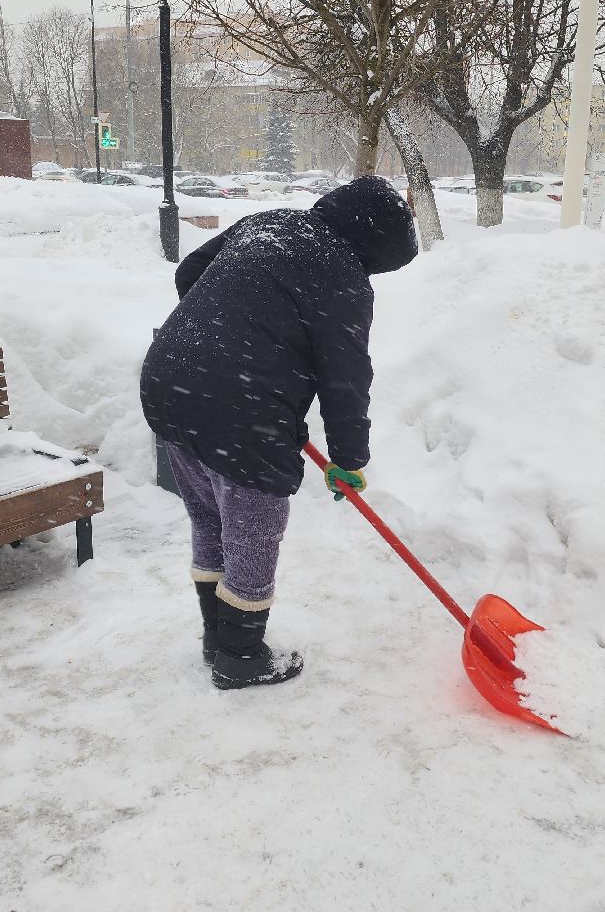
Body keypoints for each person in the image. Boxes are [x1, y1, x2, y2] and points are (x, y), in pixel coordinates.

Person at [141, 176, 418, 690]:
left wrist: (227, 332)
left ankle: (216, 638)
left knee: (210, 515)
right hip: (238, 407)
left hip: (169, 383)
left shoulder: (267, 222)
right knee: (251, 532)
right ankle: (241, 658)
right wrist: (349, 460)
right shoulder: (344, 279)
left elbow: (190, 273)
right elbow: (345, 381)